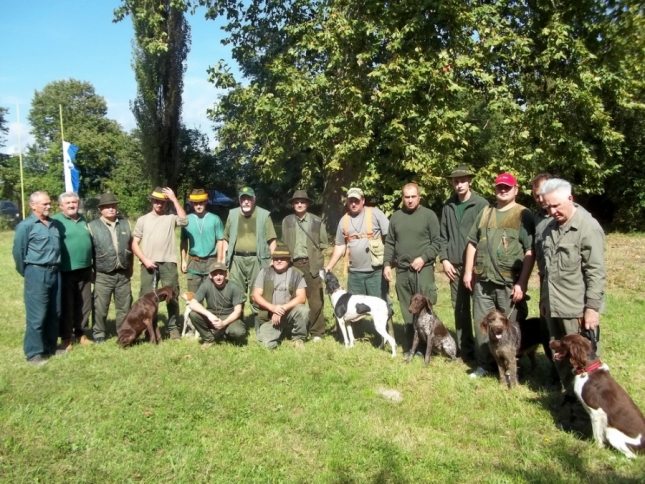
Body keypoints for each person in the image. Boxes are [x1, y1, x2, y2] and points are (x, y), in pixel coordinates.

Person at [540, 178, 606, 431]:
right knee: (559, 357)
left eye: (555, 206)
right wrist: (544, 300)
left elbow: (596, 272)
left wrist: (592, 308)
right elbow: (545, 270)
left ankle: (586, 413)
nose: (551, 212)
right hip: (554, 305)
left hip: (576, 309)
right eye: (547, 207)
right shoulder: (549, 227)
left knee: (582, 363)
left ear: (570, 198)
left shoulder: (587, 227)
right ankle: (570, 399)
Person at [463, 173, 535, 378]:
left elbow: (530, 251)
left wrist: (522, 282)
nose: (503, 190)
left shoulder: (523, 214)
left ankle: (512, 367)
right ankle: (486, 365)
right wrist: (468, 272)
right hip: (483, 281)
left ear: (516, 190)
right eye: (499, 187)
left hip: (509, 283)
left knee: (511, 327)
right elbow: (472, 243)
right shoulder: (485, 212)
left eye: (507, 187)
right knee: (483, 325)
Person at [438, 165, 489, 362]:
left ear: (470, 181)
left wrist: (476, 265)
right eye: (456, 181)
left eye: (463, 181)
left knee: (480, 310)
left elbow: (484, 237)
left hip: (476, 266)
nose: (459, 185)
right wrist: (444, 259)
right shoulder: (448, 206)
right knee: (460, 309)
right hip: (454, 267)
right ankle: (465, 351)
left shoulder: (481, 205)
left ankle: (484, 351)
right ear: (452, 183)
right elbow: (443, 237)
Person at [383, 183, 441, 355]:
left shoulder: (429, 216)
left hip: (422, 271)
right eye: (406, 197)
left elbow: (437, 242)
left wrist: (423, 258)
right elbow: (390, 242)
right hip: (402, 271)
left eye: (413, 196)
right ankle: (412, 346)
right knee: (407, 309)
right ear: (402, 198)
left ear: (419, 197)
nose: (409, 200)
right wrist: (387, 264)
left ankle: (428, 347)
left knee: (425, 310)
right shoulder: (396, 217)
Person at [12, 191, 64, 365]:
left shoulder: (54, 224)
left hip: (55, 272)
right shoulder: (26, 226)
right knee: (37, 315)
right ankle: (34, 354)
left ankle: (50, 346)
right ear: (33, 205)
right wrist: (28, 272)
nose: (49, 206)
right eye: (45, 204)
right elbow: (18, 253)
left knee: (54, 312)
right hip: (36, 273)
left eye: (49, 203)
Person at [132, 187, 188, 340]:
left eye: (162, 202)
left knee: (172, 296)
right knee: (146, 298)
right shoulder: (143, 220)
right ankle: (148, 328)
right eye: (156, 201)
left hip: (168, 263)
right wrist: (145, 260)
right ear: (152, 201)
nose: (159, 204)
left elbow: (184, 220)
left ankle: (173, 328)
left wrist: (174, 199)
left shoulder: (170, 218)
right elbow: (134, 243)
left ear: (166, 203)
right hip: (148, 264)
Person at [223, 187, 277, 339]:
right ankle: (236, 323)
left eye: (249, 198)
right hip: (236, 260)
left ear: (254, 199)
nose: (246, 201)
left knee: (258, 293)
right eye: (243, 198)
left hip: (257, 259)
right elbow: (225, 238)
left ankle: (259, 323)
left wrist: (274, 260)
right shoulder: (232, 214)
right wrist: (223, 260)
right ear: (239, 200)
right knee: (235, 291)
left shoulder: (264, 215)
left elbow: (272, 239)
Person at [325, 187, 390, 303]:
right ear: (347, 202)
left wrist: (389, 263)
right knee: (353, 308)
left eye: (356, 201)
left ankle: (387, 322)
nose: (354, 204)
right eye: (351, 201)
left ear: (363, 200)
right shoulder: (344, 220)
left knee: (382, 306)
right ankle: (357, 322)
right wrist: (329, 266)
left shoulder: (375, 213)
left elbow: (390, 238)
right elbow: (340, 246)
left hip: (376, 272)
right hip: (355, 274)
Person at [281, 190, 328, 342]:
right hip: (293, 265)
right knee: (294, 298)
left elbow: (322, 244)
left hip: (311, 264)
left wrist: (317, 261)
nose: (299, 204)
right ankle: (296, 329)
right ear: (293, 204)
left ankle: (317, 332)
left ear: (307, 204)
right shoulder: (286, 221)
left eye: (302, 202)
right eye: (296, 202)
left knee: (315, 300)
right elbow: (284, 242)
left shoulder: (317, 221)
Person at [88, 193, 133, 344]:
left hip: (123, 273)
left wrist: (131, 267)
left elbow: (131, 248)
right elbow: (88, 252)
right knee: (100, 306)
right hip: (103, 274)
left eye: (113, 206)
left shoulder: (125, 224)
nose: (111, 209)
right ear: (101, 209)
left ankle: (123, 331)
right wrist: (91, 272)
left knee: (124, 306)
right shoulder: (92, 226)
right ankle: (99, 333)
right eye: (107, 207)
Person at [52, 191, 93, 348]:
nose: (71, 205)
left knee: (84, 304)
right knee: (67, 305)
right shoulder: (56, 221)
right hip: (65, 270)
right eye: (68, 203)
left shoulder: (83, 219)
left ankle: (81, 333)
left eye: (74, 202)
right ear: (61, 206)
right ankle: (66, 338)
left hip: (85, 269)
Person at [252, 246, 309, 349]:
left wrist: (281, 309)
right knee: (266, 345)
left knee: (303, 310)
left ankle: (298, 338)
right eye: (275, 258)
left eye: (282, 258)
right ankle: (281, 332)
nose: (278, 260)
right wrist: (273, 308)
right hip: (270, 316)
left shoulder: (297, 274)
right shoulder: (264, 272)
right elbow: (255, 296)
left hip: (289, 313)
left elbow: (302, 298)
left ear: (288, 259)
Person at [187, 261, 247, 346]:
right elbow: (192, 304)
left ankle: (225, 335)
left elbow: (238, 311)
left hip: (229, 316)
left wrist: (223, 323)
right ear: (210, 275)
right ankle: (209, 339)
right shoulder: (206, 285)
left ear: (226, 274)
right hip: (212, 315)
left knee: (238, 332)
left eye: (221, 274)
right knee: (193, 314)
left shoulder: (234, 287)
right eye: (215, 274)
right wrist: (209, 315)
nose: (218, 277)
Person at [181, 189, 225, 293]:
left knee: (213, 294)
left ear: (206, 202)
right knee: (193, 296)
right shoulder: (187, 220)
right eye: (195, 203)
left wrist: (219, 260)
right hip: (194, 261)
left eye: (201, 203)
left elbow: (220, 240)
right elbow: (183, 241)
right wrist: (183, 260)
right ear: (192, 204)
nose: (198, 206)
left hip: (211, 260)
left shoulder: (215, 219)